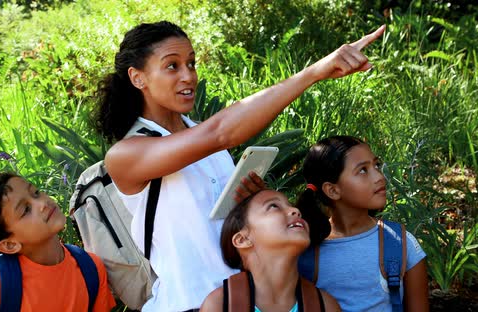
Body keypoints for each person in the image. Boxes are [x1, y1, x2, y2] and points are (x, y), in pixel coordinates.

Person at [94, 20, 385, 311]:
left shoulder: (204, 139)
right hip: (187, 304)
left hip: (245, 301)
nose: (188, 76)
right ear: (138, 78)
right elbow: (220, 133)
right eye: (172, 66)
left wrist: (250, 204)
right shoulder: (128, 153)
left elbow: (225, 230)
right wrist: (315, 73)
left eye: (192, 64)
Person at [296, 136, 429, 311]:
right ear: (333, 190)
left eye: (376, 166)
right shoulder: (306, 251)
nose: (379, 177)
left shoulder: (400, 243)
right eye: (363, 171)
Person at [0, 172, 116, 311]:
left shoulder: (90, 268)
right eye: (26, 210)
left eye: (35, 193)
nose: (42, 203)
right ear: (10, 244)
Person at [200, 189, 341, 312]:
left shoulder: (326, 306)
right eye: (274, 206)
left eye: (291, 206)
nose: (296, 211)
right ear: (242, 239)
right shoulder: (219, 305)